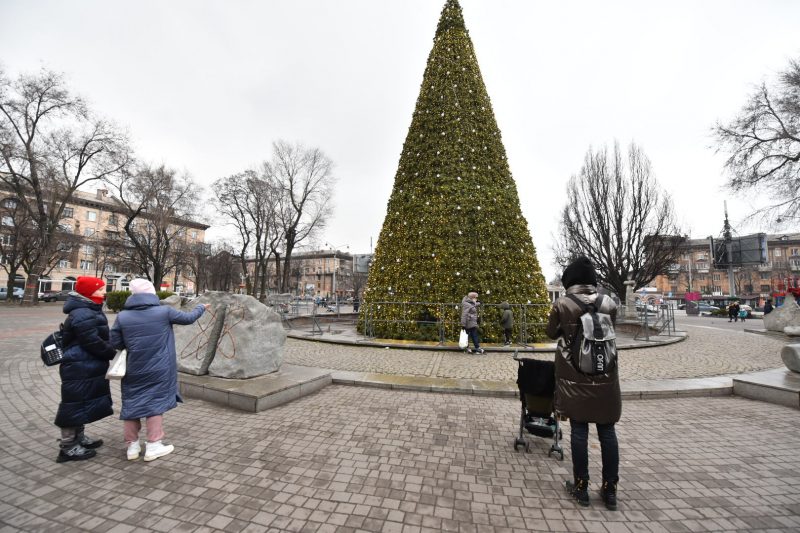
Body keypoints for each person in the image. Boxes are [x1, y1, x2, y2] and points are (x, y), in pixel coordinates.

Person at [546, 256, 620, 510]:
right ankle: (610, 490)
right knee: (607, 432)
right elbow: (612, 330)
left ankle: (581, 487)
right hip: (605, 376)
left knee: (579, 430)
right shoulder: (608, 302)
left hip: (575, 375)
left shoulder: (564, 304)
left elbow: (551, 332)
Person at [110, 279, 209, 462]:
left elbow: (115, 342)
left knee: (132, 403)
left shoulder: (123, 316)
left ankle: (132, 447)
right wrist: (201, 307)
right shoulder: (164, 312)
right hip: (159, 368)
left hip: (134, 368)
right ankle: (153, 445)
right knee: (155, 404)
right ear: (151, 294)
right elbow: (188, 319)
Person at [54, 276, 117, 462]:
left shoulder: (88, 309)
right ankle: (67, 447)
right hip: (79, 365)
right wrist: (111, 352)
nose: (104, 292)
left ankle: (79, 438)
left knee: (81, 402)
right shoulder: (83, 312)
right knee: (73, 405)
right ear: (89, 292)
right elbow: (91, 341)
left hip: (85, 364)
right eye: (100, 289)